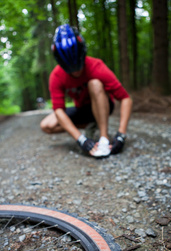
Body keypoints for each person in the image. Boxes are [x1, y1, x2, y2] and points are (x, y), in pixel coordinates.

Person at [40, 24, 133, 158]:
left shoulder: (96, 66)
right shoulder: (56, 76)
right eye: (71, 69)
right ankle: (89, 126)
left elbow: (125, 99)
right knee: (46, 125)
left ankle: (104, 137)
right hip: (82, 110)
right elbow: (59, 110)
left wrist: (121, 135)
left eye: (78, 66)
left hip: (103, 105)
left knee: (94, 83)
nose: (76, 72)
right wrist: (81, 139)